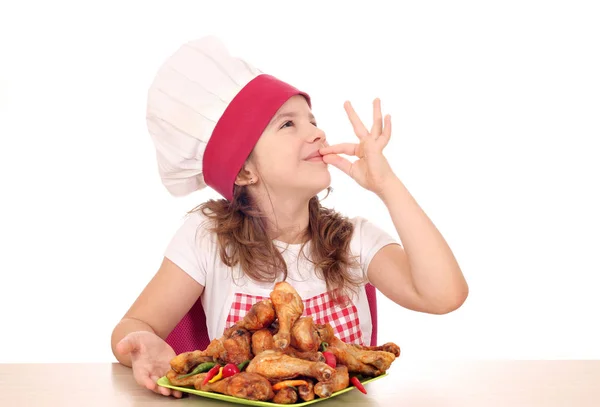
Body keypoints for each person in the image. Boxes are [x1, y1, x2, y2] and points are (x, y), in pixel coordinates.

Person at [110, 36, 469, 398]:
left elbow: (444, 296)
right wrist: (141, 344)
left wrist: (387, 185)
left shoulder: (354, 241)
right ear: (243, 171)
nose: (318, 132)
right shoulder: (207, 240)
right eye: (288, 124)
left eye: (312, 121)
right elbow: (134, 324)